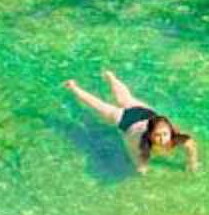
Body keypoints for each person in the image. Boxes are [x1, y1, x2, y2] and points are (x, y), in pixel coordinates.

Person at [62, 70, 198, 175]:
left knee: (125, 99)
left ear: (171, 132)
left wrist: (192, 163)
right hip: (126, 120)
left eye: (165, 134)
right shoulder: (139, 140)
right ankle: (74, 87)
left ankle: (111, 77)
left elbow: (190, 146)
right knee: (98, 106)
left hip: (146, 112)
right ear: (149, 135)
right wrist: (140, 165)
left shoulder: (178, 137)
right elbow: (130, 146)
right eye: (157, 135)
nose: (162, 139)